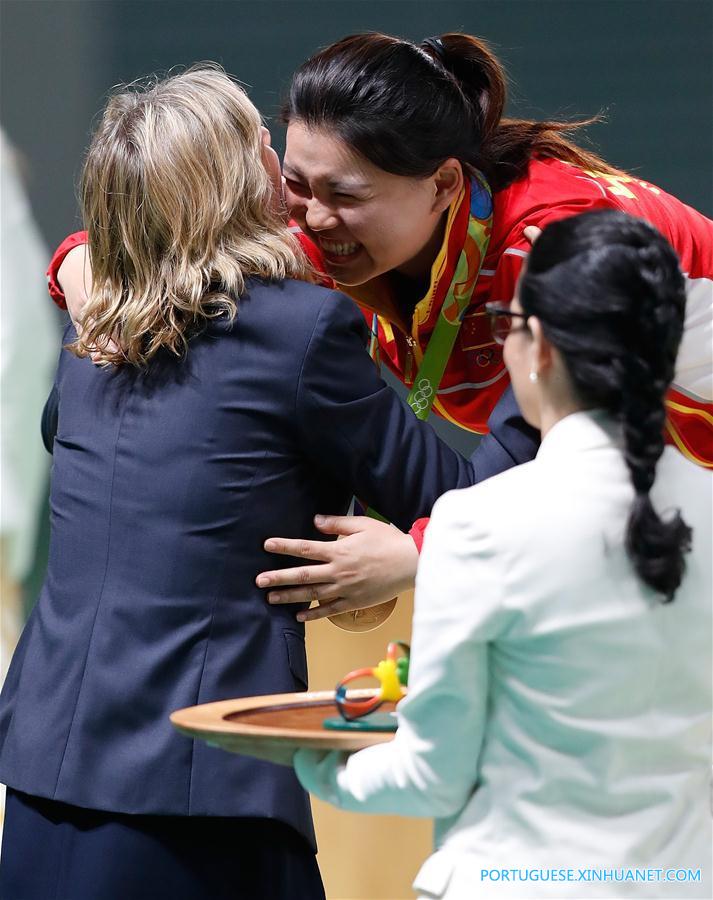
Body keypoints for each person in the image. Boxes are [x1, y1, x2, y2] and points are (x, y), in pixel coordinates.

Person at [0, 66, 486, 900]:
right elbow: (451, 499)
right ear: (230, 182)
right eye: (255, 139)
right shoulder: (300, 332)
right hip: (198, 788)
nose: (275, 151)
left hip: (43, 776)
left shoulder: (93, 342)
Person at [47, 32, 713, 620]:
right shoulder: (329, 224)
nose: (311, 219)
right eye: (300, 186)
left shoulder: (554, 242)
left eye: (346, 196)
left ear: (443, 184)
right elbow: (153, 244)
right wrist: (88, 282)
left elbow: (546, 458)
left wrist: (417, 554)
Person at [293, 210, 713, 899]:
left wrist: (313, 762)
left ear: (539, 346)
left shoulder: (477, 522)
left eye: (508, 324)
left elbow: (430, 775)